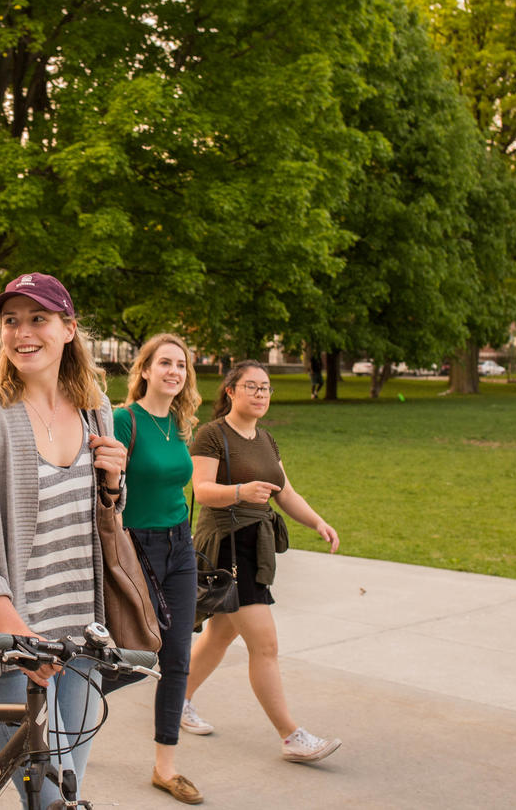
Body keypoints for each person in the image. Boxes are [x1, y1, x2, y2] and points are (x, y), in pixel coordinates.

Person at [0, 272, 128, 810]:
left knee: (67, 794)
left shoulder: (97, 408)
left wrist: (115, 483)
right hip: (9, 639)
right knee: (52, 797)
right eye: (11, 321)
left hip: (79, 634)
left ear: (69, 329)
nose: (23, 332)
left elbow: (108, 524)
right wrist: (19, 639)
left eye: (38, 319)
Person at [181, 360, 343, 764]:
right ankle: (291, 736)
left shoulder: (266, 440)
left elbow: (285, 493)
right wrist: (240, 491)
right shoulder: (212, 435)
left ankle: (174, 701)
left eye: (266, 388)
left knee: (220, 635)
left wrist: (317, 521)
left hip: (256, 544)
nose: (260, 394)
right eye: (251, 386)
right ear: (230, 391)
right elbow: (200, 488)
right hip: (227, 546)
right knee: (265, 644)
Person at [113, 333, 204, 804]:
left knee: (177, 658)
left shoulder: (181, 424)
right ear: (145, 370)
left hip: (180, 545)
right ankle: (68, 700)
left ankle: (165, 767)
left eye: (181, 365)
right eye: (165, 363)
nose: (174, 371)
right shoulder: (124, 420)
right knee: (133, 652)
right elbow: (105, 488)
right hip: (136, 547)